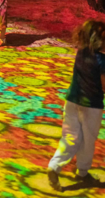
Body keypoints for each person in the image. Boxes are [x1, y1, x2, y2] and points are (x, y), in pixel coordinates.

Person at [47, 20, 105, 191]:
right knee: (88, 141)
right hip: (91, 106)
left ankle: (54, 166)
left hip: (72, 101)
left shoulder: (81, 53)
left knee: (70, 137)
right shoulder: (101, 60)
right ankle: (82, 173)